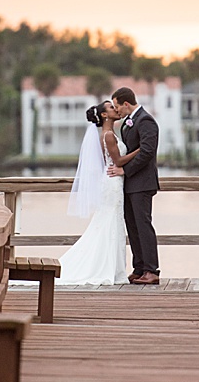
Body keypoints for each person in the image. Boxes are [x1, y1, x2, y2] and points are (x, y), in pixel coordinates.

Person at [59, 100, 141, 284]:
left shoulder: (109, 133)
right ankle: (110, 269)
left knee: (113, 223)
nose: (115, 109)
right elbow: (118, 161)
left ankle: (115, 269)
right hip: (112, 184)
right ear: (104, 115)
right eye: (111, 107)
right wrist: (139, 150)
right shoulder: (108, 135)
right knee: (111, 223)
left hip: (114, 182)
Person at [107, 86, 160, 285]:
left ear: (126, 104)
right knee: (133, 226)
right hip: (130, 185)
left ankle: (151, 270)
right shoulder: (128, 123)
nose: (116, 110)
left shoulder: (145, 121)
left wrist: (125, 171)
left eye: (117, 106)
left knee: (143, 225)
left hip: (143, 183)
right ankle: (139, 267)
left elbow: (147, 152)